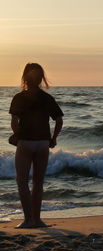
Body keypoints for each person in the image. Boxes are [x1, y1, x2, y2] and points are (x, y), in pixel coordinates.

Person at [9, 63, 64, 228]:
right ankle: (38, 220)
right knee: (38, 182)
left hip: (25, 143)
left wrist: (18, 135)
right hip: (42, 144)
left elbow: (14, 122)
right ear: (41, 79)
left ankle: (28, 220)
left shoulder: (19, 97)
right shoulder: (47, 98)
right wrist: (53, 138)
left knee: (22, 181)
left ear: (25, 77)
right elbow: (59, 120)